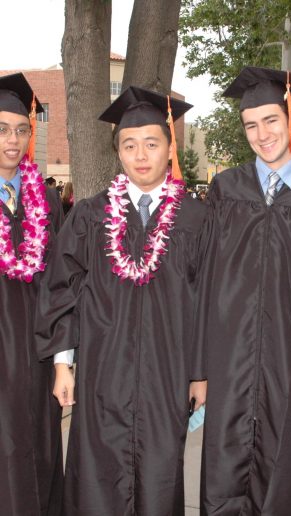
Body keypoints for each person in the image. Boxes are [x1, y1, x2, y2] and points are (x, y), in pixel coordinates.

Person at [35, 86, 209, 516]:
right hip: (102, 371)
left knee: (160, 473)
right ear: (118, 152)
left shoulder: (197, 217)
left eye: (151, 143)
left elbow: (210, 299)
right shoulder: (90, 215)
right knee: (98, 474)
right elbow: (61, 287)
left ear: (170, 147)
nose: (141, 155)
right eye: (129, 145)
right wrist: (63, 364)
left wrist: (201, 373)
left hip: (167, 374)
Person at [200, 66, 291, 515]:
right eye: (251, 125)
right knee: (225, 473)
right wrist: (199, 367)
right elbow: (203, 278)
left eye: (271, 121)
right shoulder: (226, 189)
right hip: (231, 362)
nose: (262, 135)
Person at [0, 73, 63, 515]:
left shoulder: (47, 200)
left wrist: (62, 358)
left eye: (22, 130)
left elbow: (61, 281)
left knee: (38, 448)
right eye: (2, 129)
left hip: (37, 353)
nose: (13, 140)